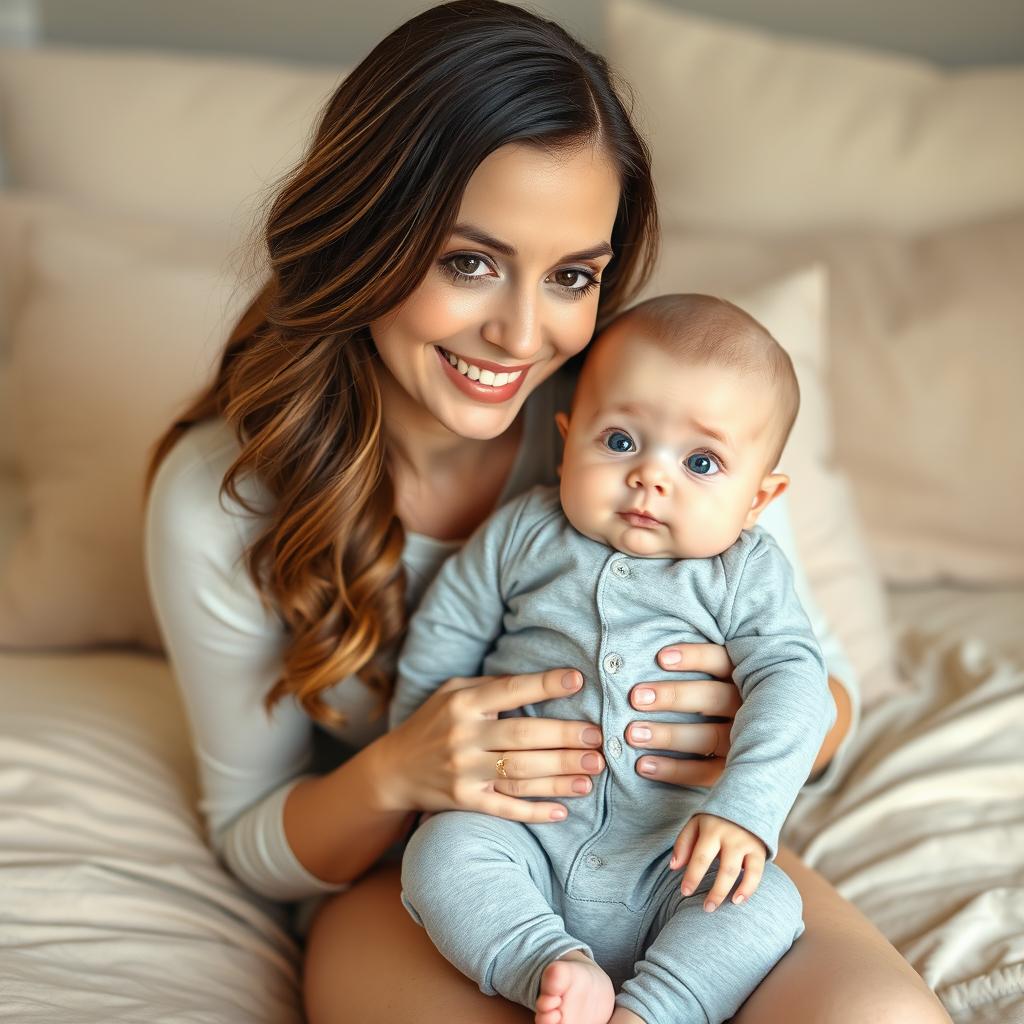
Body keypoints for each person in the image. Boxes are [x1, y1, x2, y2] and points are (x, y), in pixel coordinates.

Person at [141, 2, 952, 1022]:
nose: (521, 333)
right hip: (423, 873)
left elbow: (820, 686)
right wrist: (400, 769)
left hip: (674, 849)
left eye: (572, 275)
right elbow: (253, 838)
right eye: (467, 261)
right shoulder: (229, 498)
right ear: (365, 233)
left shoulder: (653, 425)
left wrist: (747, 735)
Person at [389, 294, 835, 1024]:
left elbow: (796, 685)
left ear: (759, 498)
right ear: (567, 441)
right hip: (521, 831)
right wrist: (429, 771)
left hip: (676, 856)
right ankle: (548, 964)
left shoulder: (747, 573)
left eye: (701, 461)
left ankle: (656, 1010)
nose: (651, 478)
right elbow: (441, 647)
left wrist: (746, 812)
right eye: (621, 442)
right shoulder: (521, 535)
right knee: (440, 857)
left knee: (770, 906)